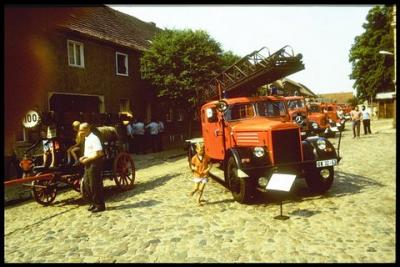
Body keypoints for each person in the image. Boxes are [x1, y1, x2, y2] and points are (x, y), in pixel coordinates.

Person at [78, 122, 106, 213]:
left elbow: (99, 153)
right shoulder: (86, 138)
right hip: (88, 163)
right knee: (87, 184)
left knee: (95, 185)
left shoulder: (94, 138)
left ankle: (100, 205)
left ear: (87, 129)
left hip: (94, 163)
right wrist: (84, 157)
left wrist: (87, 159)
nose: (80, 132)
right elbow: (90, 152)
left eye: (81, 130)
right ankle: (93, 203)